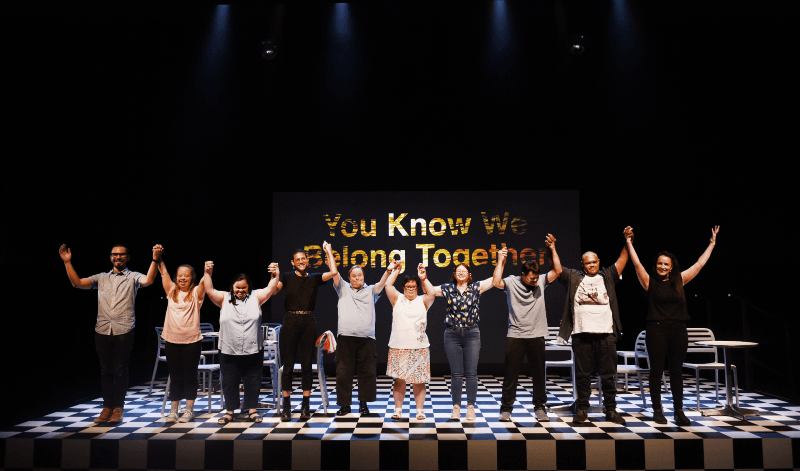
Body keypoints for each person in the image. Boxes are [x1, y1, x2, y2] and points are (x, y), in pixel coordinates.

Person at [625, 226, 720, 426]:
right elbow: (636, 263)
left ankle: (679, 411)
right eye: (659, 263)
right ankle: (657, 410)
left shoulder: (679, 280)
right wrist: (629, 242)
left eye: (666, 264)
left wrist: (711, 244)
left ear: (671, 266)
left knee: (676, 371)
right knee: (657, 371)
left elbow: (699, 264)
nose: (662, 266)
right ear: (656, 265)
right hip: (656, 329)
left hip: (678, 330)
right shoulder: (649, 282)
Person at [58, 243, 160, 424]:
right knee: (105, 371)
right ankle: (107, 407)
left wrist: (155, 259)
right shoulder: (102, 277)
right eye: (114, 254)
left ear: (128, 257)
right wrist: (67, 262)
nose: (117, 257)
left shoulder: (133, 277)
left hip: (124, 329)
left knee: (120, 370)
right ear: (110, 257)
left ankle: (118, 408)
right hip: (103, 329)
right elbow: (77, 283)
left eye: (121, 255)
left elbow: (149, 281)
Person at [555, 227, 633, 425]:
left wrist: (627, 241)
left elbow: (622, 261)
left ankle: (611, 410)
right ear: (583, 264)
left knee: (608, 375)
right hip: (581, 334)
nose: (591, 265)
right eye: (588, 263)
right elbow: (556, 268)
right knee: (582, 375)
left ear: (599, 262)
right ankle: (582, 410)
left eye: (594, 262)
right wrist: (552, 248)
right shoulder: (574, 276)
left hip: (606, 333)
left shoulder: (607, 276)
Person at [493, 235, 562, 423]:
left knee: (539, 374)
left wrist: (553, 248)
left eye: (536, 278)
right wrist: (501, 260)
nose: (534, 281)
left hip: (537, 335)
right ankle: (506, 408)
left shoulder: (541, 281)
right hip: (515, 335)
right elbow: (496, 281)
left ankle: (540, 407)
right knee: (511, 375)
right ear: (523, 275)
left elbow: (558, 270)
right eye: (531, 279)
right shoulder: (511, 282)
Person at [202, 261, 281, 424]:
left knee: (253, 380)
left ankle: (252, 410)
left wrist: (276, 274)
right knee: (230, 381)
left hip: (253, 349)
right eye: (237, 288)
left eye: (243, 288)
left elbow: (271, 288)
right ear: (232, 287)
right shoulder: (223, 298)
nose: (240, 291)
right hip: (229, 350)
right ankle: (229, 411)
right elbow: (209, 290)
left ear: (248, 287)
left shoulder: (256, 297)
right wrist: (207, 273)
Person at [273, 242, 337, 421]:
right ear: (292, 263)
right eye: (297, 260)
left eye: (303, 259)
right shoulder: (286, 277)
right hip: (290, 320)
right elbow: (273, 292)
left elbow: (333, 272)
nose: (301, 261)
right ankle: (286, 404)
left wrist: (329, 252)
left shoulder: (314, 278)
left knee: (308, 364)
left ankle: (305, 404)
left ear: (308, 260)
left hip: (308, 320)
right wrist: (275, 276)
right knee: (288, 364)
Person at [430, 263, 495, 421]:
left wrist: (500, 261)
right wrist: (423, 277)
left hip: (472, 333)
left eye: (464, 271)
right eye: (458, 271)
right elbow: (430, 290)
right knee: (456, 373)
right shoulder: (448, 288)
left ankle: (470, 407)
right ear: (454, 274)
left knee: (471, 373)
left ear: (469, 274)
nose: (460, 273)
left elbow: (494, 280)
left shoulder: (475, 288)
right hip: (452, 333)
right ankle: (456, 407)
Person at [331, 259, 396, 416]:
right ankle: (345, 406)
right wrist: (328, 253)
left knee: (367, 373)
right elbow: (334, 272)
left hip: (366, 339)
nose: (357, 278)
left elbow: (381, 283)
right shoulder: (343, 287)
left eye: (359, 275)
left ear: (363, 277)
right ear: (349, 277)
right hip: (345, 338)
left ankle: (363, 404)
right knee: (343, 373)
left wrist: (388, 271)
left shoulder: (371, 290)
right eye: (353, 276)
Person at [157, 251, 206, 423]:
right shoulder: (171, 290)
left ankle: (189, 410)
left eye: (186, 276)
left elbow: (204, 283)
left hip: (192, 342)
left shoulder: (195, 294)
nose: (183, 278)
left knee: (190, 376)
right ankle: (174, 410)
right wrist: (158, 257)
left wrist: (208, 272)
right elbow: (163, 272)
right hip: (172, 341)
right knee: (175, 376)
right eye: (180, 276)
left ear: (192, 278)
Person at [385, 262, 436, 420]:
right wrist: (397, 270)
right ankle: (398, 409)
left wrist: (423, 277)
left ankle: (419, 410)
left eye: (413, 286)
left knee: (418, 381)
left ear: (417, 288)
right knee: (399, 380)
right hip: (398, 346)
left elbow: (432, 292)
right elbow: (387, 284)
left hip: (418, 347)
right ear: (403, 287)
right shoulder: (397, 299)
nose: (411, 288)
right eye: (408, 286)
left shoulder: (423, 300)